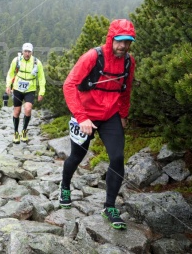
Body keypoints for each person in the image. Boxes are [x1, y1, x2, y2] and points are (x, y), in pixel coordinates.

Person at [59, 19, 136, 230]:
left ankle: (109, 206)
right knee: (77, 156)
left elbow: (126, 90)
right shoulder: (93, 56)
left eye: (127, 42)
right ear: (111, 38)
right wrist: (81, 117)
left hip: (110, 114)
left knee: (118, 157)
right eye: (119, 41)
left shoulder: (129, 62)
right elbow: (69, 84)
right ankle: (65, 186)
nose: (123, 46)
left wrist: (123, 114)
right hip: (85, 114)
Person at [5, 43, 46, 144]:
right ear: (22, 51)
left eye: (29, 52)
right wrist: (8, 85)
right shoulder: (16, 60)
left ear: (32, 52)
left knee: (27, 109)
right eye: (25, 51)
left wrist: (41, 92)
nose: (27, 54)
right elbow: (10, 73)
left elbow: (41, 78)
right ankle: (15, 133)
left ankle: (24, 131)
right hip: (18, 88)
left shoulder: (37, 62)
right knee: (17, 111)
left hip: (30, 89)